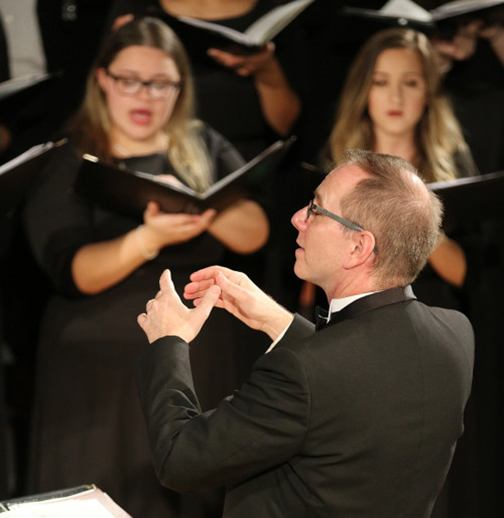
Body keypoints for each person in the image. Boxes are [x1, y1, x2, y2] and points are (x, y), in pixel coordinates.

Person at [135, 149, 475, 518]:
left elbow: (180, 458)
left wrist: (168, 341)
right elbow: (354, 378)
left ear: (359, 247)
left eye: (317, 209)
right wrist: (276, 320)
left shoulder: (303, 372)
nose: (298, 218)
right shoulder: (456, 334)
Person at [23, 17, 269, 518]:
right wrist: (148, 239)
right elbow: (74, 270)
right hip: (99, 369)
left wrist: (199, 205)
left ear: (180, 87)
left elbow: (256, 232)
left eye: (160, 84)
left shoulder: (200, 145)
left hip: (196, 362)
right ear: (102, 79)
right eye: (130, 81)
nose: (145, 96)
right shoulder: (72, 158)